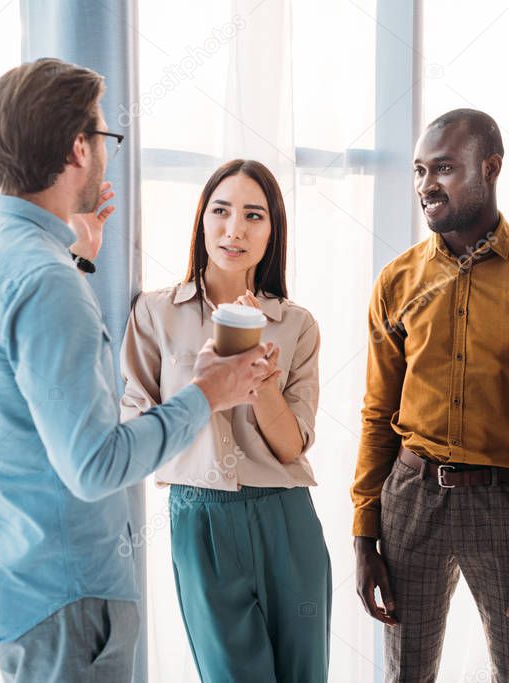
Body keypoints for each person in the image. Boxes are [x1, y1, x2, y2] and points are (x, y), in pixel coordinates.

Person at [0, 58, 275, 683]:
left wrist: (74, 262)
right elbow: (95, 466)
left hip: (13, 589)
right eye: (104, 138)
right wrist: (207, 392)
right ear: (77, 150)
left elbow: (10, 417)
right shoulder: (46, 281)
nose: (108, 153)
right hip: (71, 603)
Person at [352, 109, 509, 682]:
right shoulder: (396, 282)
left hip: (507, 506)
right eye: (419, 171)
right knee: (405, 674)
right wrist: (364, 533)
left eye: (445, 168)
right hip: (410, 500)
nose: (426, 185)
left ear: (491, 167)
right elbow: (378, 413)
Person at [120, 159, 331, 682]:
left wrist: (260, 386)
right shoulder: (154, 313)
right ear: (202, 220)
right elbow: (137, 433)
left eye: (254, 216)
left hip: (286, 516)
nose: (234, 229)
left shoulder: (296, 324)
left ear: (272, 231)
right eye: (221, 211)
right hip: (200, 516)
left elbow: (291, 448)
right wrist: (207, 388)